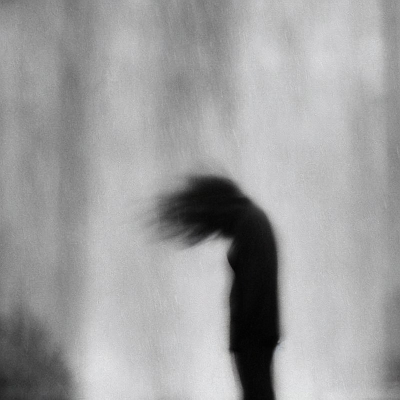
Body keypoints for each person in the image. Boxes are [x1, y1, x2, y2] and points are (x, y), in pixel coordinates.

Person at [157, 174, 280, 399]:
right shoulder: (253, 219)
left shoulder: (249, 224)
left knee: (256, 393)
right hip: (259, 333)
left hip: (253, 335)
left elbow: (253, 287)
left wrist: (242, 335)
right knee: (259, 392)